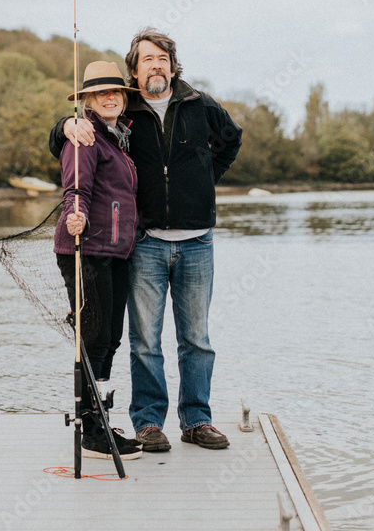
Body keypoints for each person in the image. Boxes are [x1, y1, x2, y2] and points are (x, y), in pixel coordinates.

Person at [50, 29, 242, 452]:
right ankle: (149, 423)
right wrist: (65, 124)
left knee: (197, 339)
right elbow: (68, 143)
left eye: (162, 58)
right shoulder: (122, 109)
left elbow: (231, 140)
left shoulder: (199, 104)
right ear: (134, 71)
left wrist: (204, 180)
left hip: (197, 243)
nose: (156, 65)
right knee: (144, 342)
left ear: (173, 66)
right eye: (146, 59)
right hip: (146, 243)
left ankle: (196, 420)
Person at [53, 60, 142, 460]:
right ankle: (90, 431)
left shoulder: (119, 137)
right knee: (92, 339)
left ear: (124, 99)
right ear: (87, 99)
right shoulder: (84, 136)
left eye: (116, 91)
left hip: (117, 252)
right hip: (85, 248)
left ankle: (102, 420)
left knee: (111, 338)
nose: (110, 97)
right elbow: (77, 189)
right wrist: (78, 214)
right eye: (101, 92)